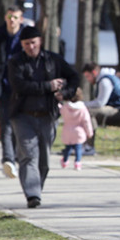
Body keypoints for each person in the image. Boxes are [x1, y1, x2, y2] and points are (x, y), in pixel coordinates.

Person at [8, 26, 80, 208]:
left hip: (47, 116)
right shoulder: (15, 62)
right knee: (28, 155)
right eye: (26, 44)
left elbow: (73, 77)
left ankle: (36, 189)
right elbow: (20, 86)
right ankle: (33, 195)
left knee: (44, 160)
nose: (30, 47)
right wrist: (48, 86)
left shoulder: (53, 60)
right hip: (23, 116)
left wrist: (65, 93)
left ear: (39, 41)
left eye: (33, 42)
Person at [0, 6, 26, 179]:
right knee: (6, 125)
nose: (12, 20)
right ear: (5, 17)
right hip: (3, 90)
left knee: (20, 125)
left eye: (15, 17)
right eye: (9, 17)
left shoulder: (26, 38)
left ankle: (16, 156)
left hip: (22, 90)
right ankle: (8, 160)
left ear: (21, 19)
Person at [59, 87, 94, 171]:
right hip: (79, 131)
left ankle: (65, 161)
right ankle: (77, 162)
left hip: (67, 130)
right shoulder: (82, 108)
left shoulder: (65, 107)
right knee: (78, 148)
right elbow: (86, 121)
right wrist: (89, 132)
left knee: (68, 148)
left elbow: (60, 111)